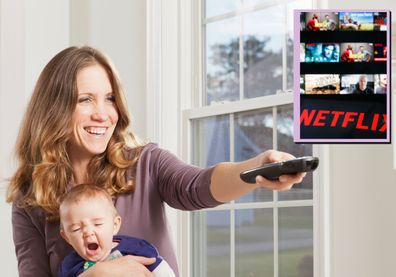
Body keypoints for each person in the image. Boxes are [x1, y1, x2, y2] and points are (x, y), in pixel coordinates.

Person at [7, 46, 305, 277]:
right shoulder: (30, 198)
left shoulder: (146, 163)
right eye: (85, 99)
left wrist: (253, 170)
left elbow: (198, 185)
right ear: (54, 108)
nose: (103, 114)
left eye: (110, 98)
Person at [59, 184, 175, 277]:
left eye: (97, 224)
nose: (88, 232)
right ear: (67, 237)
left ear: (115, 225)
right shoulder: (69, 266)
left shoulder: (134, 248)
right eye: (76, 229)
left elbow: (159, 267)